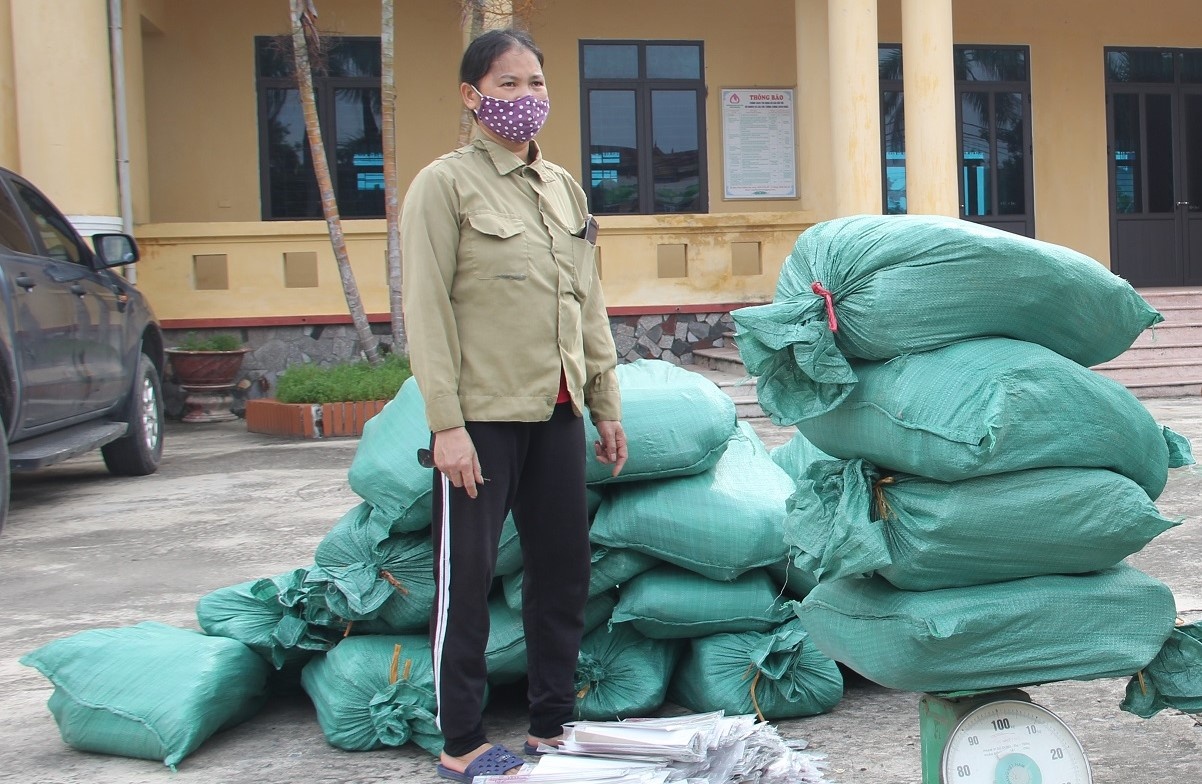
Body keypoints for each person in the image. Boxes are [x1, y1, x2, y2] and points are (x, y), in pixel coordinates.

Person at [399, 27, 628, 783]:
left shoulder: (563, 188)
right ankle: (460, 740)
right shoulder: (445, 185)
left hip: (557, 409)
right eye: (508, 86)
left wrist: (605, 403)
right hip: (482, 420)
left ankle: (551, 725)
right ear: (471, 98)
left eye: (536, 84)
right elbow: (427, 312)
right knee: (466, 577)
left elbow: (587, 303)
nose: (527, 100)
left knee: (562, 570)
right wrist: (446, 428)